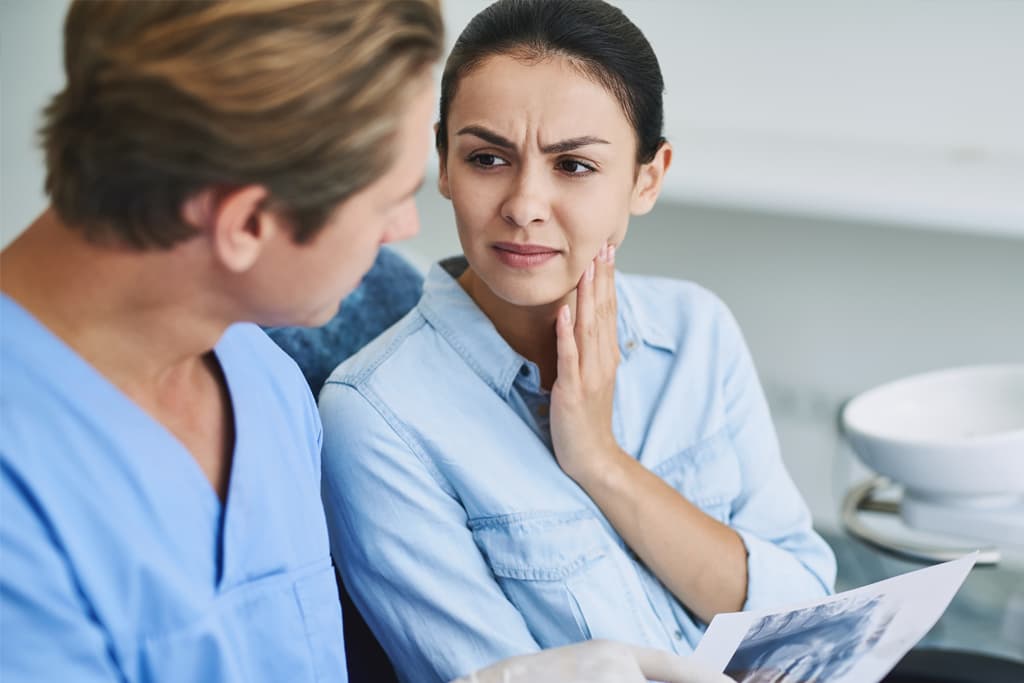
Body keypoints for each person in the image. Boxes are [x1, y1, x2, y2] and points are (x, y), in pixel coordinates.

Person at [318, 0, 838, 681]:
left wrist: (601, 460)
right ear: (443, 162)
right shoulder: (376, 415)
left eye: (574, 167)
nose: (525, 203)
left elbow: (808, 612)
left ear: (648, 178)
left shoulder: (696, 332)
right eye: (487, 157)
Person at [0, 1, 442, 680]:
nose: (403, 228)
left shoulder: (267, 382)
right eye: (389, 199)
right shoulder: (22, 503)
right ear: (247, 223)